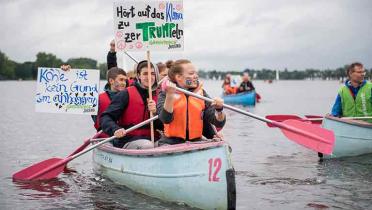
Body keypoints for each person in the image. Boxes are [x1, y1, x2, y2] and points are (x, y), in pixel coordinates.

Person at [157, 59, 226, 146]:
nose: (196, 76)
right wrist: (170, 95)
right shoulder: (164, 93)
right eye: (191, 73)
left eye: (196, 73)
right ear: (178, 77)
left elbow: (218, 122)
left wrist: (219, 110)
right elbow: (165, 119)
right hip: (171, 142)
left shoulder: (201, 93)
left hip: (196, 141)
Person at [100, 60, 162, 149]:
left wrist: (155, 113)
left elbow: (164, 125)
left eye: (152, 74)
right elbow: (106, 117)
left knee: (168, 144)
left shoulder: (160, 95)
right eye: (145, 73)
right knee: (147, 145)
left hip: (153, 138)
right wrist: (115, 129)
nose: (149, 77)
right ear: (138, 76)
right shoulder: (125, 94)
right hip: (128, 139)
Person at [93, 67, 128, 132]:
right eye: (121, 80)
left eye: (125, 80)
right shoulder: (98, 99)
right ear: (111, 81)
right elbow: (95, 119)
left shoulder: (129, 97)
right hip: (105, 137)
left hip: (125, 136)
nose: (124, 83)